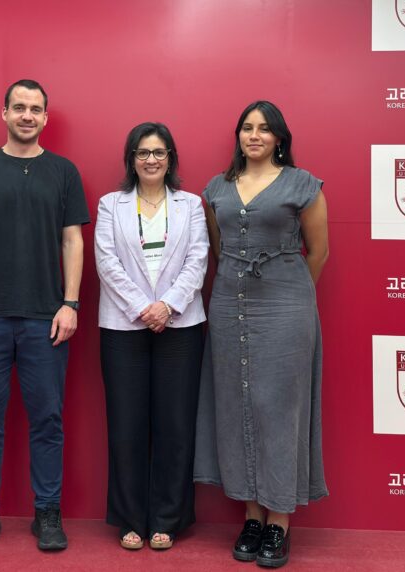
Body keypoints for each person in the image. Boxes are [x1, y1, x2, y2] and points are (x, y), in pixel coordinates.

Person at [0, 79, 90, 554]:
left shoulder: (64, 173)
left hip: (45, 318)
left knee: (47, 419)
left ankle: (47, 512)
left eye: (36, 109)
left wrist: (70, 304)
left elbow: (73, 240)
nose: (27, 115)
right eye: (19, 107)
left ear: (46, 117)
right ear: (4, 113)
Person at [193, 101, 329, 569]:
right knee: (237, 405)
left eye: (264, 129)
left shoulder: (303, 184)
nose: (255, 135)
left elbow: (320, 251)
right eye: (248, 128)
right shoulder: (217, 188)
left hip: (288, 307)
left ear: (279, 138)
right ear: (239, 136)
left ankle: (279, 522)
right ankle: (251, 517)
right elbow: (218, 247)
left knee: (279, 408)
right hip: (229, 306)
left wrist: (287, 291)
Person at [95, 122, 209, 551]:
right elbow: (106, 262)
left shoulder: (191, 205)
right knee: (126, 425)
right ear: (131, 159)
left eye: (159, 152)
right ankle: (129, 518)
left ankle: (167, 517)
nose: (151, 159)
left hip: (181, 326)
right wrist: (143, 308)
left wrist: (168, 306)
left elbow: (198, 260)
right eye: (143, 152)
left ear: (171, 158)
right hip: (123, 326)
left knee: (175, 425)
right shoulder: (111, 205)